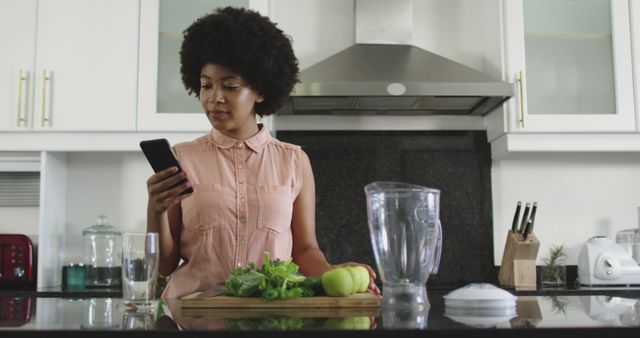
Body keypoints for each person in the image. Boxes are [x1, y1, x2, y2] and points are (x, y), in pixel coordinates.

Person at [145, 6, 381, 299]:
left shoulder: (294, 161)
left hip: (271, 315)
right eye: (206, 86)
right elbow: (164, 266)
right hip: (195, 316)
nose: (214, 98)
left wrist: (335, 273)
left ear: (260, 90)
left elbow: (305, 251)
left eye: (229, 86)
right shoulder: (182, 158)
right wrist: (155, 209)